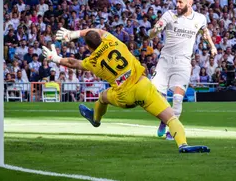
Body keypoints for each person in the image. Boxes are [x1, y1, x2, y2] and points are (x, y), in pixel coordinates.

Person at [42, 27, 210, 153]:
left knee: (102, 97)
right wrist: (74, 33)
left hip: (124, 95)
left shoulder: (92, 61)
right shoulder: (113, 41)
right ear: (100, 39)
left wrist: (54, 58)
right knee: (171, 118)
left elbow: (73, 63)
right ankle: (183, 144)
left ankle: (96, 119)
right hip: (142, 85)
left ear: (88, 47)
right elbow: (98, 31)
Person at [147, 0, 217, 139]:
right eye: (176, 1)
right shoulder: (169, 15)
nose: (177, 5)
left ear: (189, 4)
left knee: (178, 98)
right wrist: (155, 31)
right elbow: (152, 33)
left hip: (183, 62)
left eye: (180, 2)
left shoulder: (200, 18)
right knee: (157, 97)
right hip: (165, 61)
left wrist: (212, 46)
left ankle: (172, 130)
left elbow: (205, 33)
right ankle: (164, 120)